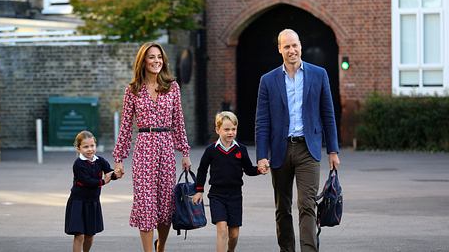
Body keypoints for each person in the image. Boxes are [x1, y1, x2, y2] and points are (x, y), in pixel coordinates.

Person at [255, 29, 341, 252]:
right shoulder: (268, 80)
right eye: (286, 46)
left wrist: (333, 150)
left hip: (308, 149)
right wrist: (262, 156)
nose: (291, 50)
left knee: (307, 205)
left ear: (300, 46)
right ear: (279, 49)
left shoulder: (318, 74)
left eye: (295, 45)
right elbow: (262, 122)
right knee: (282, 207)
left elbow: (328, 114)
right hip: (280, 150)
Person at [112, 42, 192, 252]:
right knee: (146, 205)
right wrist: (119, 158)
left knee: (166, 206)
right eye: (151, 57)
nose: (156, 61)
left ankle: (161, 246)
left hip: (166, 148)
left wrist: (185, 152)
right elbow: (126, 126)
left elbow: (179, 122)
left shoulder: (172, 87)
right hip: (144, 148)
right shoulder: (133, 90)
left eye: (159, 57)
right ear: (143, 61)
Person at [192, 111, 265, 252]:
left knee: (234, 234)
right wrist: (199, 190)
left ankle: (230, 250)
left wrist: (259, 170)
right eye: (226, 129)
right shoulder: (211, 150)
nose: (230, 132)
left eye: (233, 129)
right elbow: (202, 170)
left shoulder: (241, 149)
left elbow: (249, 169)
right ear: (218, 129)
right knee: (222, 230)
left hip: (235, 196)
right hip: (217, 195)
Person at [65, 130, 119, 252]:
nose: (90, 149)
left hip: (93, 202)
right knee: (79, 235)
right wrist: (104, 181)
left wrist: (116, 174)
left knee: (90, 235)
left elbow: (109, 172)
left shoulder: (100, 160)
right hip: (78, 202)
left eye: (92, 146)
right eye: (85, 147)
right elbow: (87, 181)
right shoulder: (78, 164)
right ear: (78, 148)